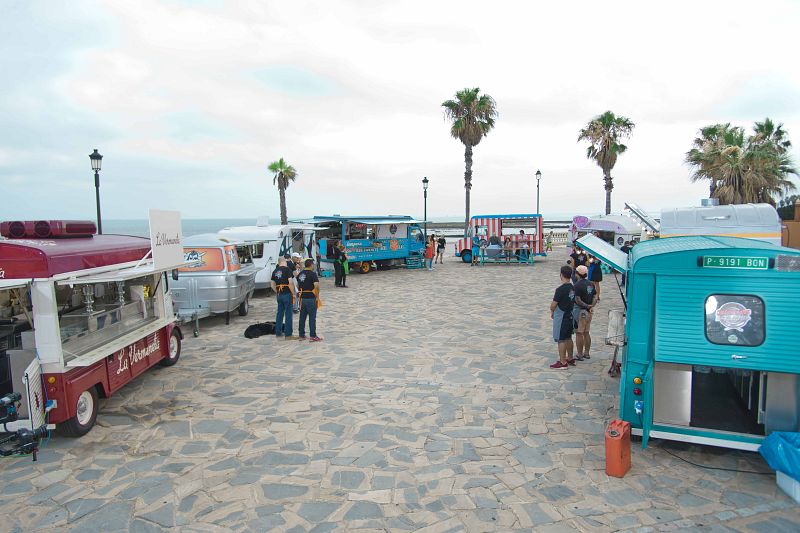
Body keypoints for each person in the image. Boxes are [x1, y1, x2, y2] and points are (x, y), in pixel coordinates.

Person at [550, 265, 576, 369]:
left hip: (561, 317)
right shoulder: (572, 288)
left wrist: (552, 311)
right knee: (568, 337)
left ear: (561, 275)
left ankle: (562, 362)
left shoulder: (560, 289)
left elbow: (553, 305)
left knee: (561, 339)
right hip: (570, 314)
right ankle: (570, 358)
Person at [573, 265, 597, 361]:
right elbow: (595, 296)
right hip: (589, 311)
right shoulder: (591, 284)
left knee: (580, 332)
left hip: (582, 311)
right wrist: (591, 306)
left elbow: (577, 300)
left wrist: (586, 306)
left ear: (578, 274)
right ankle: (587, 353)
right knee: (587, 332)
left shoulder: (577, 285)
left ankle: (579, 354)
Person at [296, 259, 322, 341]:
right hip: (311, 297)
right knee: (312, 317)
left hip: (302, 298)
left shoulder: (300, 274)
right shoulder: (312, 274)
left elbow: (297, 285)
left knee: (302, 317)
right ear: (311, 265)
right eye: (313, 264)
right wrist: (317, 296)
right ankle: (313, 336)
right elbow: (316, 286)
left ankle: (301, 335)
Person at [270, 257, 296, 339]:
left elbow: (272, 284)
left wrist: (277, 291)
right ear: (284, 262)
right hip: (287, 294)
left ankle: (278, 332)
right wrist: (294, 293)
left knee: (279, 314)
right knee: (288, 314)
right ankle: (288, 334)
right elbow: (290, 282)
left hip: (279, 295)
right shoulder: (287, 270)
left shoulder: (275, 271)